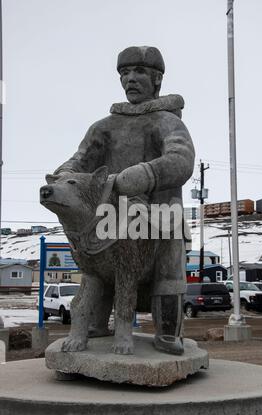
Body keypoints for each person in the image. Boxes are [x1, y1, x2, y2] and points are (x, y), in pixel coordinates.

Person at [54, 46, 195, 354]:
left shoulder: (166, 122)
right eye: (124, 73)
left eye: (139, 72)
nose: (130, 79)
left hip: (159, 209)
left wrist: (145, 174)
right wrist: (64, 176)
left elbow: (181, 158)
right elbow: (79, 160)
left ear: (156, 79)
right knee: (98, 265)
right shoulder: (104, 126)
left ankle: (168, 331)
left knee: (168, 262)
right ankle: (95, 321)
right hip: (110, 212)